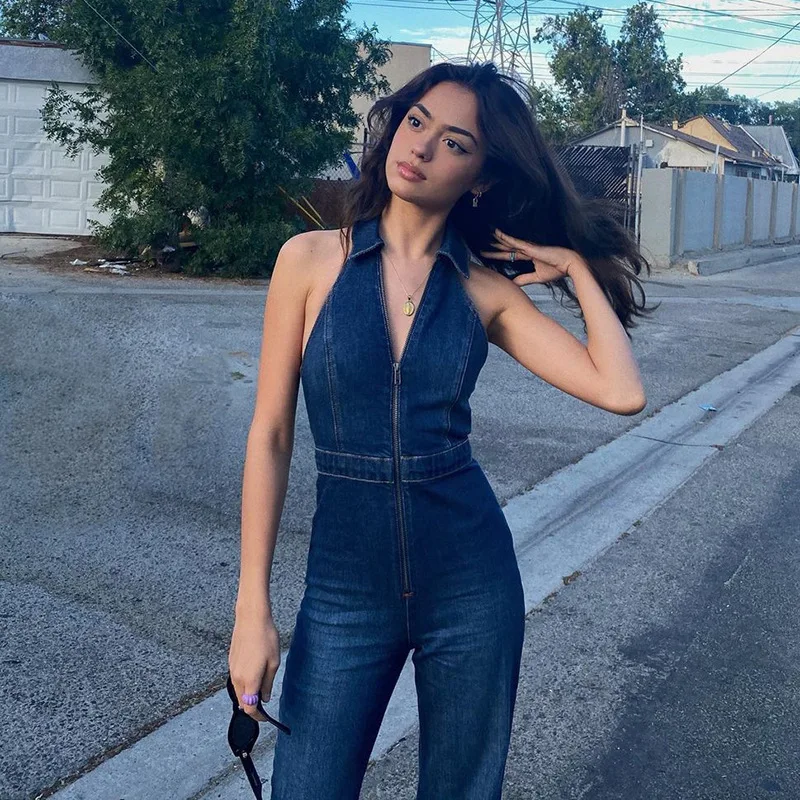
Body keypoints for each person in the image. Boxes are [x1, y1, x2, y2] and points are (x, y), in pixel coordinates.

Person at [227, 60, 654, 799]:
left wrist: (578, 270)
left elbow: (621, 392)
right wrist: (251, 609)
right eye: (416, 121)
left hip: (470, 584)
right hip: (343, 589)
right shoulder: (309, 261)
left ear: (480, 178)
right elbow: (270, 435)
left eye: (454, 143)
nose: (420, 147)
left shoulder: (483, 291)